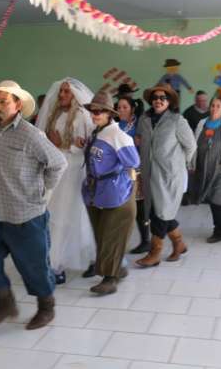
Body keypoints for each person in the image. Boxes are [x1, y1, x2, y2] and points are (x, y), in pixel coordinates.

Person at [0, 80, 67, 330]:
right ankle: (5, 303)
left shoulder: (31, 134)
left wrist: (42, 192)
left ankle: (46, 308)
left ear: (18, 104)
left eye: (3, 101)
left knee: (34, 267)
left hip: (26, 214)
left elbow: (58, 163)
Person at [36, 78, 96, 284]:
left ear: (75, 96)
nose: (61, 95)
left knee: (65, 217)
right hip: (56, 171)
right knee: (56, 217)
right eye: (60, 91)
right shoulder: (56, 114)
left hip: (72, 172)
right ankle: (69, 259)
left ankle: (57, 265)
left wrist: (62, 145)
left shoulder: (82, 116)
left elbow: (87, 147)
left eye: (66, 92)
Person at [82, 92, 140, 294]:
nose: (94, 114)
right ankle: (118, 268)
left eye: (99, 111)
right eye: (92, 110)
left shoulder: (118, 136)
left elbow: (133, 162)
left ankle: (110, 278)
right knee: (102, 234)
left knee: (111, 236)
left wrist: (125, 183)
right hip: (97, 191)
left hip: (116, 193)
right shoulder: (97, 132)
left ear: (109, 113)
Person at [135, 84, 196, 268]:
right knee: (158, 211)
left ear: (169, 102)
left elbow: (191, 146)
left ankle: (154, 253)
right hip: (149, 174)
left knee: (161, 214)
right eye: (155, 97)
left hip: (169, 176)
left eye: (163, 97)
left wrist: (177, 164)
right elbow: (140, 141)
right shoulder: (144, 120)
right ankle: (179, 244)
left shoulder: (178, 120)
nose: (158, 100)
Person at [191, 97, 221, 243]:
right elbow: (194, 144)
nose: (214, 108)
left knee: (216, 199)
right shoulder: (202, 123)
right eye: (212, 105)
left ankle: (219, 230)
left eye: (218, 106)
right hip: (205, 168)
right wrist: (192, 163)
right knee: (213, 198)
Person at [116, 96, 149, 254]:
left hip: (137, 171)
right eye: (119, 107)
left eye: (124, 107)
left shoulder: (139, 123)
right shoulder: (114, 125)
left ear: (132, 109)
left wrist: (141, 141)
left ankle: (146, 240)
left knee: (140, 208)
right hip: (119, 171)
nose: (121, 110)